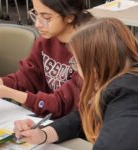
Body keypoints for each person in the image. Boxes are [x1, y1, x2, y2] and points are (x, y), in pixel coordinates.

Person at [14, 17, 138, 149]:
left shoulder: (127, 96)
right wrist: (44, 134)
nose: (77, 71)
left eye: (76, 63)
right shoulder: (123, 83)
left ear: (95, 67)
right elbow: (85, 115)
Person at [0, 0, 93, 118]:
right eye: (35, 14)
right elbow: (26, 79)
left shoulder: (88, 49)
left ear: (69, 17)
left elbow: (62, 103)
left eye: (46, 17)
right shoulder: (46, 40)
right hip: (47, 120)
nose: (37, 24)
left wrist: (11, 93)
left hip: (76, 126)